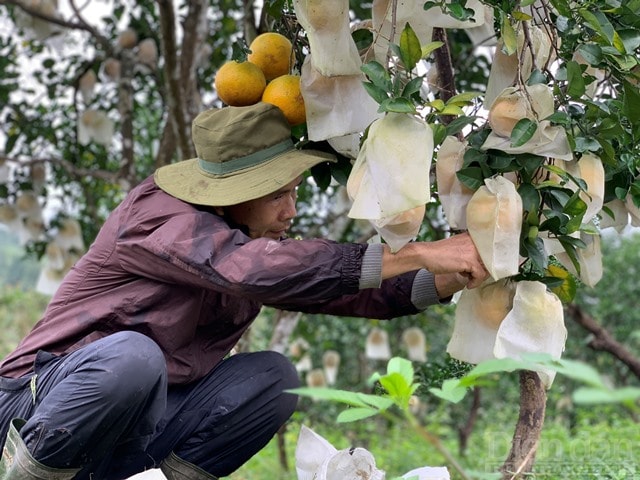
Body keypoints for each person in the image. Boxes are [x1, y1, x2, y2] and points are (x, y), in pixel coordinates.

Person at [0, 102, 488, 479]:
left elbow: (333, 287)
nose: (290, 211)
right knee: (134, 357)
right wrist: (422, 251)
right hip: (34, 409)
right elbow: (252, 271)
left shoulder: (249, 242)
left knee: (273, 378)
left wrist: (444, 277)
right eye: (279, 194)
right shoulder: (157, 215)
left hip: (134, 428)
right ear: (236, 193)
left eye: (293, 192)